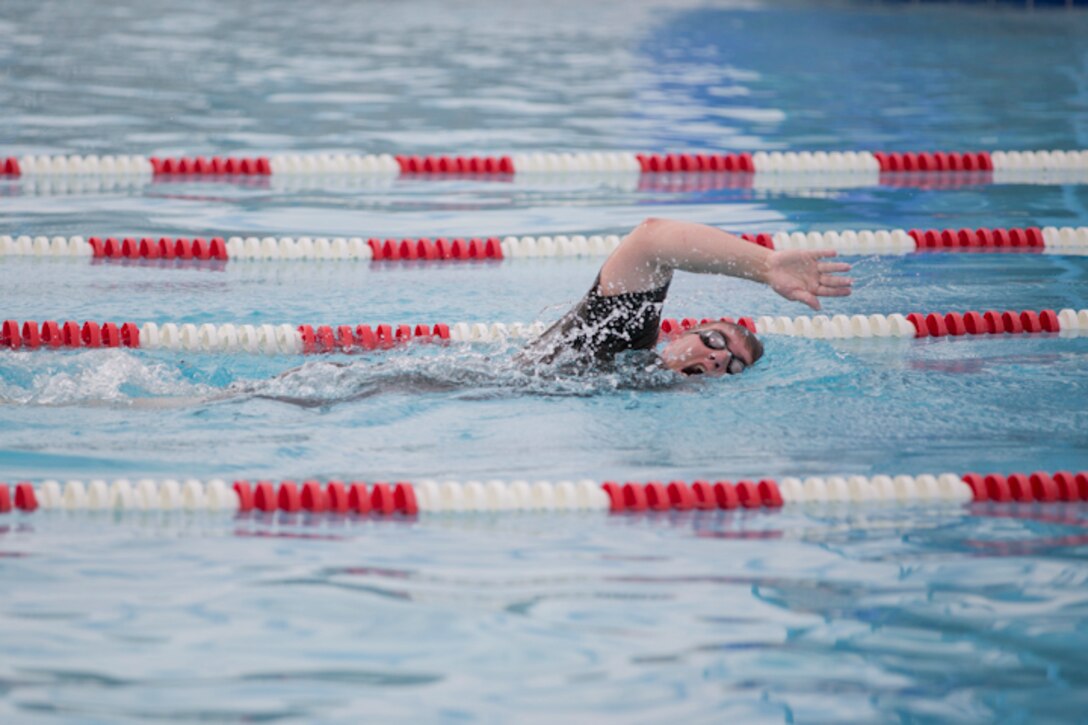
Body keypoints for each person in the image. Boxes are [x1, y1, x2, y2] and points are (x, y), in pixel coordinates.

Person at [518, 217, 853, 376]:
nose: (720, 359)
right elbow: (652, 241)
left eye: (735, 366)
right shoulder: (618, 342)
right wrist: (764, 265)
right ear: (677, 337)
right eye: (715, 341)